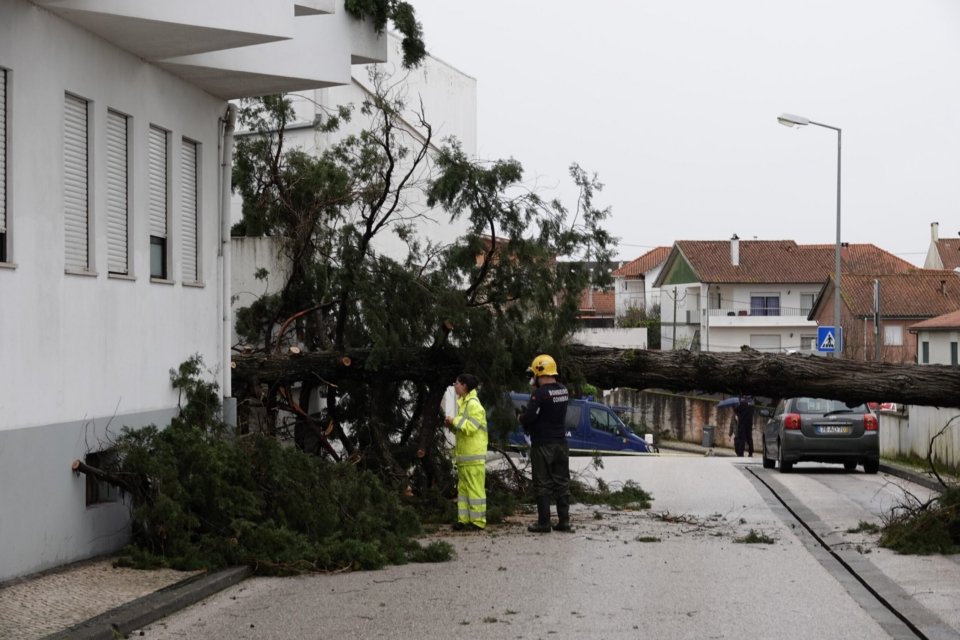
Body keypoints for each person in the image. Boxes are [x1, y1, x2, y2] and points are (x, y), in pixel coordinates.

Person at [519, 354, 573, 533]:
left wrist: (521, 417)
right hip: (561, 443)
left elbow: (530, 417)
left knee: (542, 483)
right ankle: (564, 521)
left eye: (533, 374)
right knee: (562, 482)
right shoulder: (563, 390)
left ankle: (544, 523)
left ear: (539, 373)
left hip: (542, 444)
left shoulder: (539, 394)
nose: (532, 379)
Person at [444, 373, 487, 531]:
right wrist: (452, 425)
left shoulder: (474, 405)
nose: (454, 386)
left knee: (475, 490)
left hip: (473, 457)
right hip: (464, 457)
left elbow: (471, 427)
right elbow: (463, 430)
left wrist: (454, 420)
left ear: (464, 386)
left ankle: (477, 522)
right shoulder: (464, 403)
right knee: (463, 491)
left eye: (456, 383)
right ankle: (463, 520)